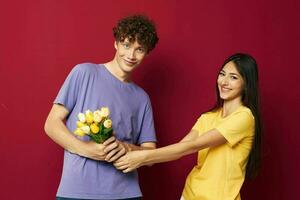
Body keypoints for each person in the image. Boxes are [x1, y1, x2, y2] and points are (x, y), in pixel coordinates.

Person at [114, 53, 262, 200]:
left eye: (233, 77)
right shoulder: (208, 117)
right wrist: (129, 148)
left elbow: (193, 146)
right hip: (190, 194)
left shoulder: (244, 117)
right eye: (222, 74)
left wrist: (143, 157)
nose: (224, 81)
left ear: (246, 83)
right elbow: (179, 149)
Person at [44, 15, 159, 200]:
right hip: (77, 191)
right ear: (116, 43)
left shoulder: (142, 98)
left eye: (140, 49)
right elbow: (51, 124)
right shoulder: (84, 73)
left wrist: (127, 148)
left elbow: (151, 153)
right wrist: (86, 149)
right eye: (127, 45)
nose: (131, 55)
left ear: (147, 53)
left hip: (126, 194)